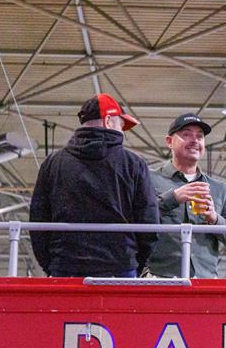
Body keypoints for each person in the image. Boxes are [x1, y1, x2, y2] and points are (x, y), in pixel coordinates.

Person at [29, 93, 159, 277]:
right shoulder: (133, 164)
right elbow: (148, 221)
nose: (122, 132)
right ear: (108, 121)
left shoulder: (53, 163)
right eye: (121, 126)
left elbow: (38, 219)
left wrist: (51, 265)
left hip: (65, 267)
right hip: (120, 267)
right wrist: (136, 264)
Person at [147, 113, 226, 278]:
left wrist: (214, 218)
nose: (195, 140)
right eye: (186, 134)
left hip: (205, 282)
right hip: (160, 279)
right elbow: (137, 218)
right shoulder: (148, 179)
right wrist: (173, 198)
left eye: (200, 136)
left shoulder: (219, 188)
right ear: (169, 141)